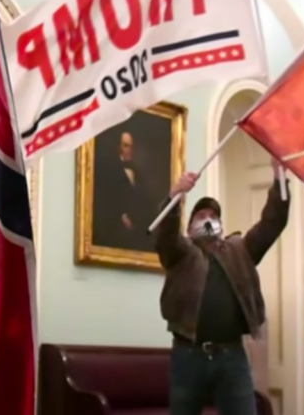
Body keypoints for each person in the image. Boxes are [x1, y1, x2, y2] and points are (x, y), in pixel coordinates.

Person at [154, 159, 290, 415]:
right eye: (201, 216)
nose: (208, 220)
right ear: (190, 226)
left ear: (221, 225)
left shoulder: (240, 249)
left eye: (214, 216)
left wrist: (279, 178)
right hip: (188, 357)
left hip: (232, 357)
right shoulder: (180, 252)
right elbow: (165, 235)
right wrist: (175, 196)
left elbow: (272, 223)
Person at [94, 131, 154, 251]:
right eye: (126, 145)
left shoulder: (137, 172)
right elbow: (107, 199)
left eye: (131, 146)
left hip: (136, 229)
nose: (129, 150)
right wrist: (122, 216)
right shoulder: (109, 170)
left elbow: (144, 200)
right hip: (115, 227)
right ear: (119, 147)